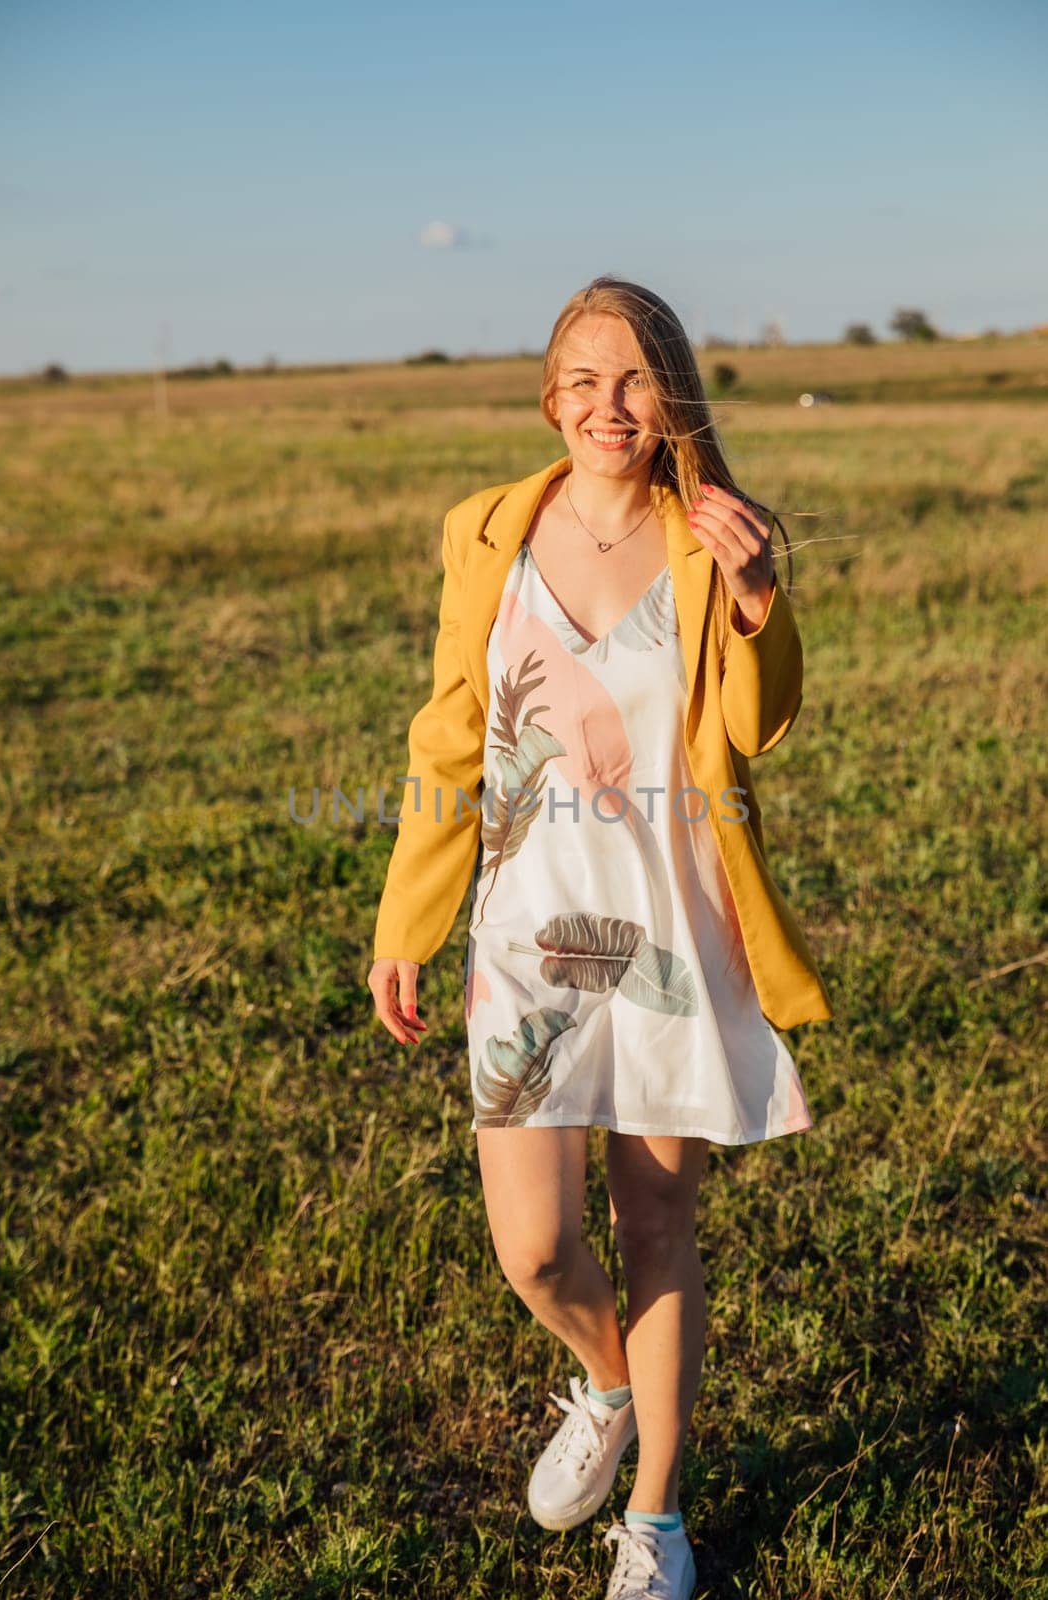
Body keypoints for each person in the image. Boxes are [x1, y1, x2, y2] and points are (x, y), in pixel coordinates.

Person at [368, 276, 832, 1600]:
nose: (606, 405)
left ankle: (659, 1521)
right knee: (533, 1249)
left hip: (669, 928)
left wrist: (753, 600)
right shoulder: (488, 533)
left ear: (670, 394)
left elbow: (758, 726)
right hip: (524, 933)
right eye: (582, 378)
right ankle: (610, 1380)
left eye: (632, 379)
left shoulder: (710, 537)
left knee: (657, 1221)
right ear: (548, 393)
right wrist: (411, 915)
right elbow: (451, 736)